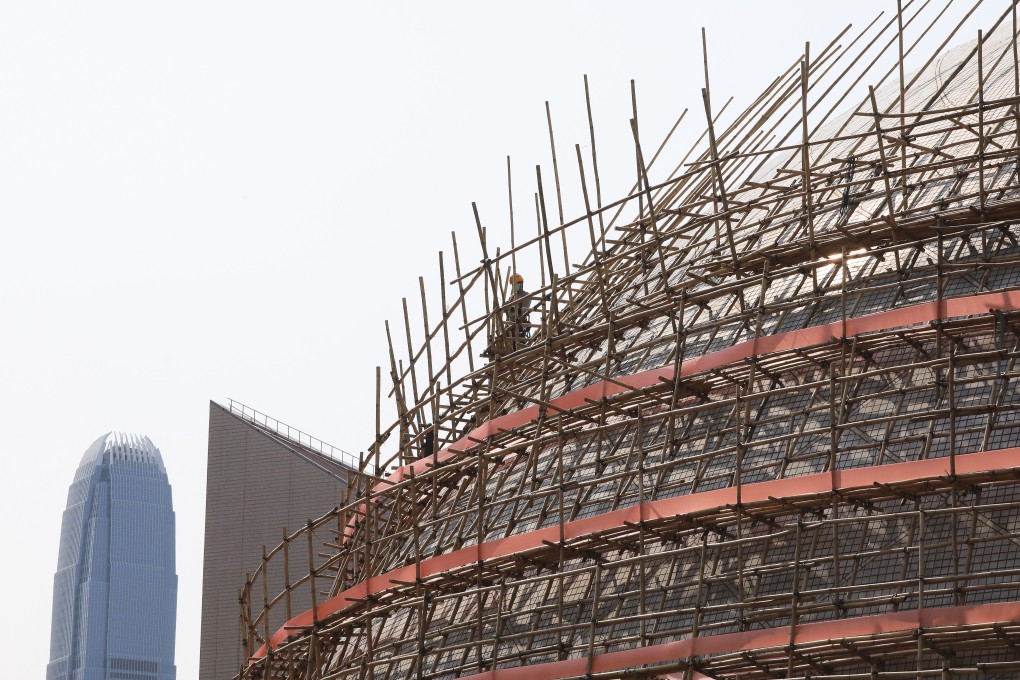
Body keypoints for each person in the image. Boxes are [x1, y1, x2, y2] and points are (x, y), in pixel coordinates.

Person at [506, 273, 532, 339]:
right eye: (512, 285)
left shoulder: (525, 295)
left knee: (518, 343)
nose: (513, 287)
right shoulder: (512, 297)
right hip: (509, 326)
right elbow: (508, 311)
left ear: (520, 284)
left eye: (515, 285)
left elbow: (524, 311)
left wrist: (514, 307)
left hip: (519, 325)